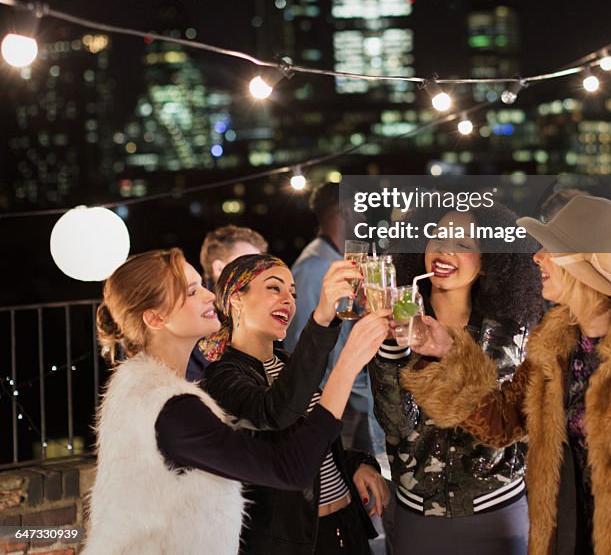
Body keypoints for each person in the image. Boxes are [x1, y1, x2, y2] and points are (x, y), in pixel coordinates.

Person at [401, 195, 611, 555]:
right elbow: (501, 423)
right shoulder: (552, 348)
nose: (537, 257)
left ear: (585, 263)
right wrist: (444, 351)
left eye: (551, 248)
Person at [82, 248, 388, 555]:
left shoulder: (149, 396)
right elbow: (288, 463)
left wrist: (356, 463)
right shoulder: (172, 407)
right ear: (155, 318)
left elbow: (292, 452)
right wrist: (346, 363)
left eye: (202, 285)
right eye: (191, 291)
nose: (208, 296)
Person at [370, 207, 543, 555]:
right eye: (437, 237)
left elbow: (509, 424)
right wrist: (391, 349)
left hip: (500, 514)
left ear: (490, 258)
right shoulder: (399, 322)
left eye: (463, 242)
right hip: (418, 517)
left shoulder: (514, 332)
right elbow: (397, 424)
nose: (445, 249)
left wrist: (450, 354)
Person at [201, 253, 389, 555]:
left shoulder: (288, 363)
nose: (288, 299)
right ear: (236, 298)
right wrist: (325, 320)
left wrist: (357, 463)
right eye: (274, 288)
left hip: (347, 525)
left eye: (293, 292)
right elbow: (275, 414)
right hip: (296, 542)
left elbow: (312, 441)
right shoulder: (221, 376)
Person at [287, 182, 376, 452]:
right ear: (346, 211)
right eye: (360, 211)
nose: (363, 219)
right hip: (338, 404)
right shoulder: (315, 267)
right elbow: (300, 345)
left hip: (352, 398)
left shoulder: (332, 261)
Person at [187, 223, 269, 382]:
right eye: (247, 265)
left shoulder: (243, 311)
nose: (257, 274)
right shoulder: (201, 315)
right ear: (219, 268)